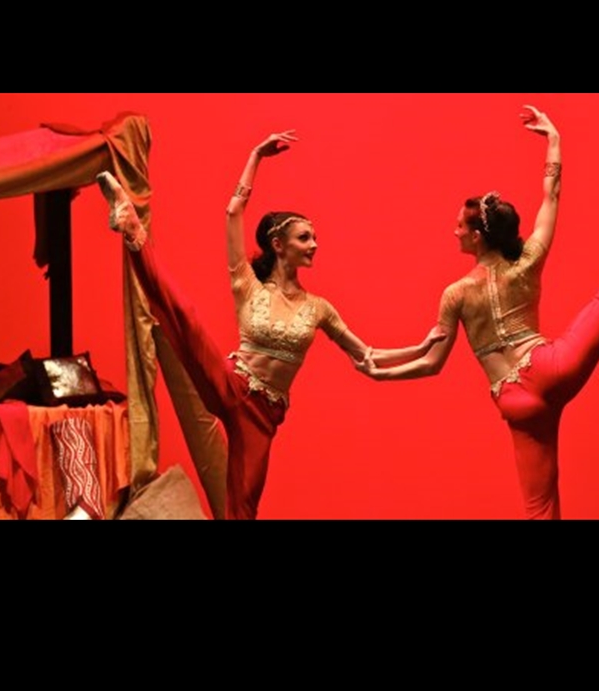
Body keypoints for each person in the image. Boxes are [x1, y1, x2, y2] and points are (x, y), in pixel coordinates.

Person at [354, 106, 599, 520]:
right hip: (551, 367)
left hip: (514, 401)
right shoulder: (526, 263)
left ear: (477, 236)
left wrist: (382, 373)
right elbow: (551, 196)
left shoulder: (455, 294)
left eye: (460, 227)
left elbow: (432, 363)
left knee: (539, 509)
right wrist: (554, 140)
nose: (454, 231)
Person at [98, 131, 442, 520]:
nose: (314, 245)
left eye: (314, 238)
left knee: (244, 508)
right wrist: (255, 156)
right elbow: (233, 213)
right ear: (279, 245)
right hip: (231, 383)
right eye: (305, 238)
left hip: (262, 415)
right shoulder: (248, 284)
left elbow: (367, 356)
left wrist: (422, 347)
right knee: (185, 317)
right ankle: (131, 226)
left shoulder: (319, 309)